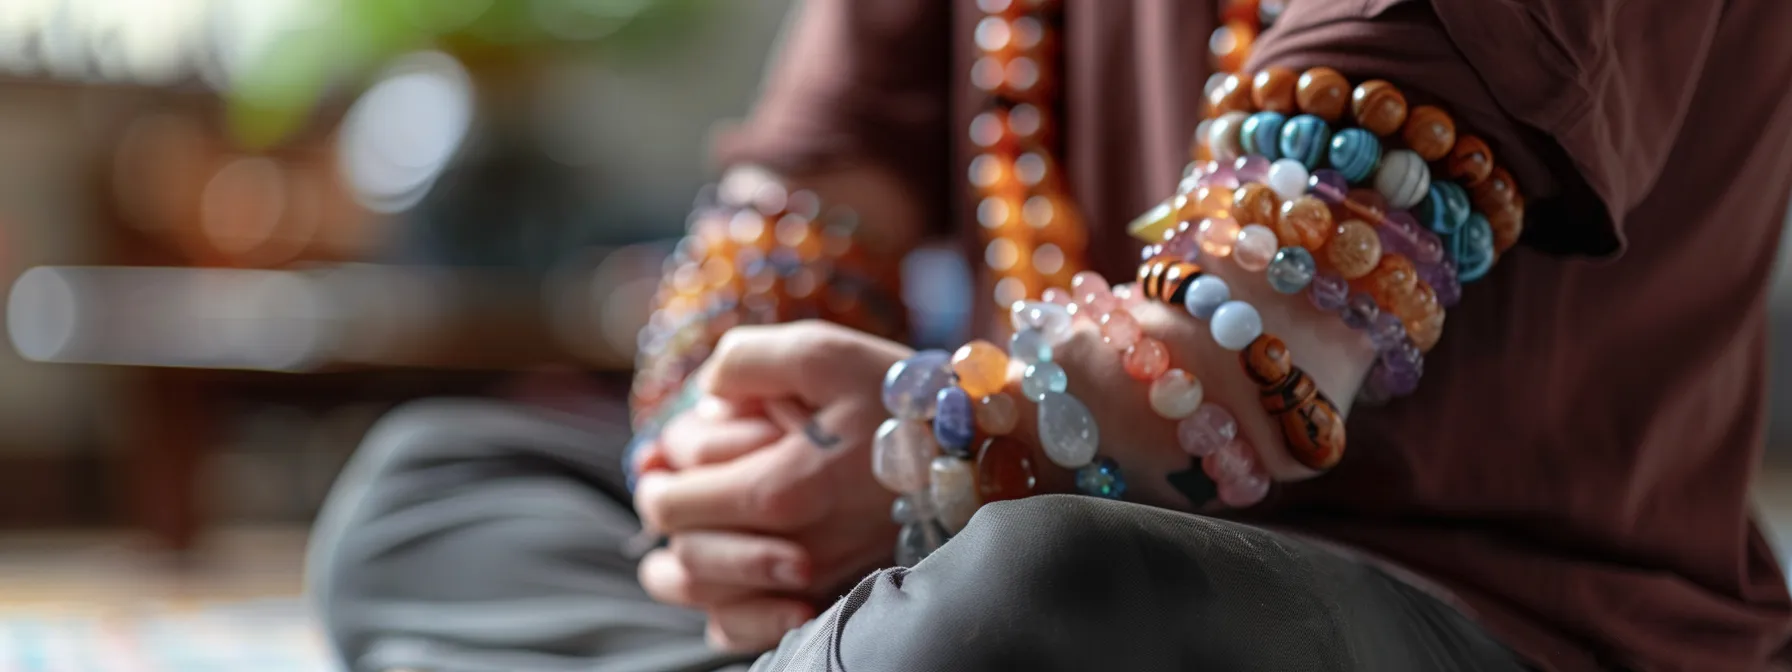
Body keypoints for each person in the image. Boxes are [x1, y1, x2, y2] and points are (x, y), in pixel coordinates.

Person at [306, 0, 1792, 670]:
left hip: (1464, 618)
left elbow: (1266, 350)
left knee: (1038, 597)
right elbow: (796, 207)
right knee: (426, 490)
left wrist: (904, 472)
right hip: (954, 531)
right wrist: (733, 464)